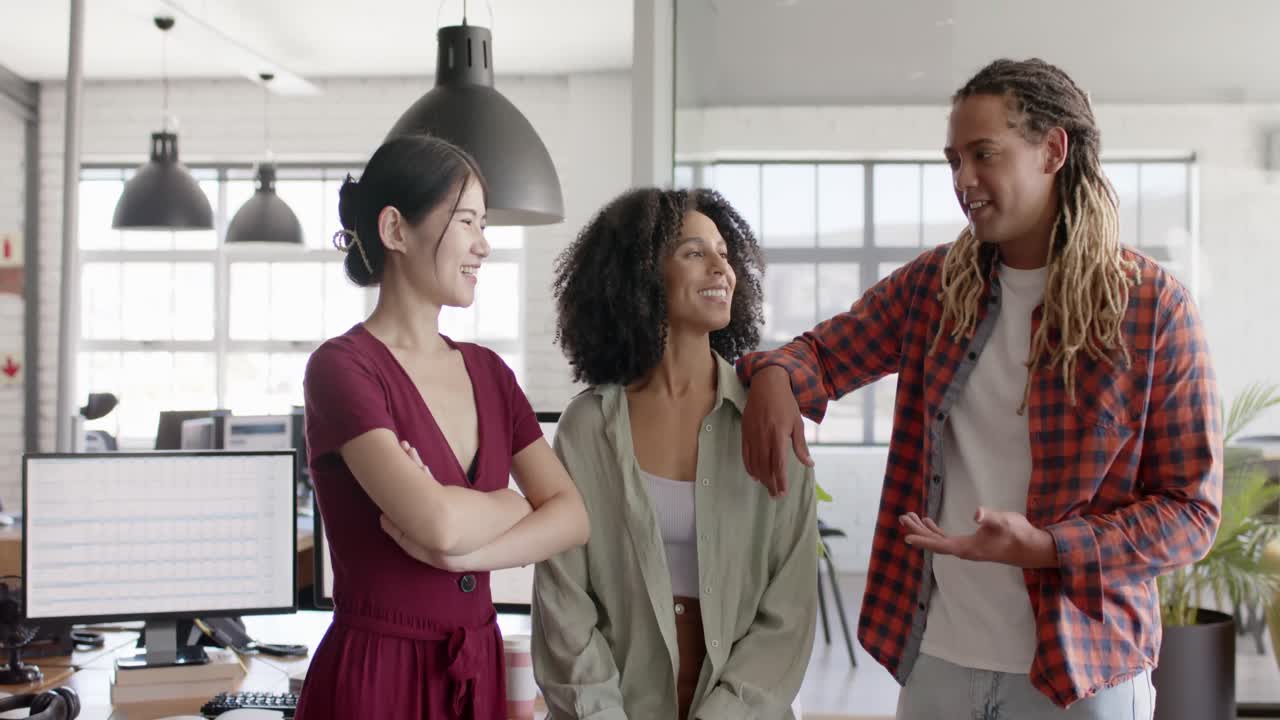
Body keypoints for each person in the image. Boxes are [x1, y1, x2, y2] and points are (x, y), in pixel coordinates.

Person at [736, 58, 1222, 718]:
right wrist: (771, 377)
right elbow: (820, 354)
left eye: (984, 155)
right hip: (940, 658)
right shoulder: (934, 288)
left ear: (1053, 150)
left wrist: (1050, 547)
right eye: (953, 160)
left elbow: (1191, 514)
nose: (964, 180)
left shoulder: (1151, 307)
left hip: (1082, 673)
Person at [296, 134, 589, 720]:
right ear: (395, 230)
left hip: (475, 666)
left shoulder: (490, 372)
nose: (483, 245)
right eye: (467, 221)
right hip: (377, 676)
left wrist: (460, 555)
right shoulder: (342, 368)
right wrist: (512, 505)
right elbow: (434, 521)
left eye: (484, 225)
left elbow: (573, 517)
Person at [532, 188, 817, 720]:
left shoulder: (769, 418)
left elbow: (789, 614)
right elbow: (564, 606)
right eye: (694, 252)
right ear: (641, 275)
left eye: (725, 255)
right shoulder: (587, 427)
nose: (720, 268)